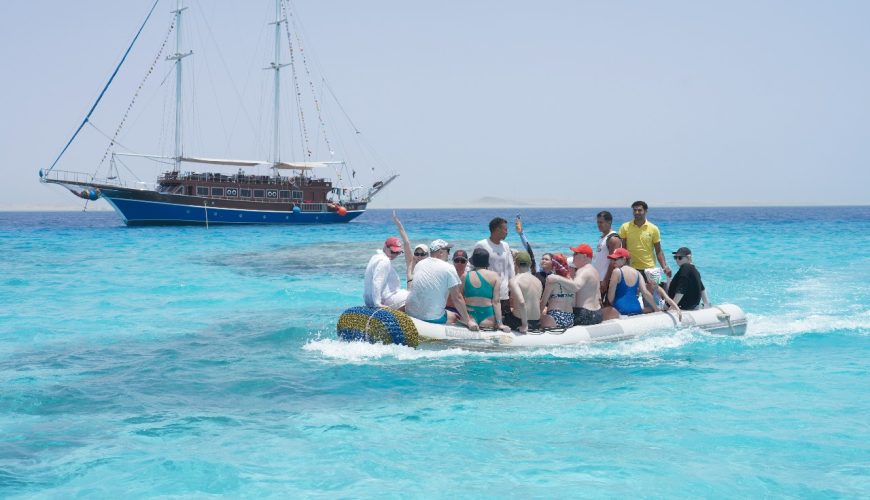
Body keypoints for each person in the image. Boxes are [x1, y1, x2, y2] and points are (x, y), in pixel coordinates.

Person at [405, 239, 479, 331]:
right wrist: (468, 321)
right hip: (431, 318)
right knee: (455, 316)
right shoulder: (449, 268)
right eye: (448, 251)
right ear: (440, 252)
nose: (448, 254)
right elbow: (457, 298)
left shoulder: (419, 264)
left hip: (410, 312)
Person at [618, 201, 672, 279]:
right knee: (633, 291)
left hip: (650, 268)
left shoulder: (653, 228)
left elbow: (658, 251)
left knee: (654, 290)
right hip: (631, 267)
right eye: (634, 210)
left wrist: (664, 267)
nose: (636, 212)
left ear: (646, 211)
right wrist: (623, 266)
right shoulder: (625, 227)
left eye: (639, 210)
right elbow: (623, 249)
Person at [461, 248, 511, 332]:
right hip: (488, 316)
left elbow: (460, 299)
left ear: (474, 261)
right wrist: (500, 324)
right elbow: (496, 302)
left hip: (470, 316)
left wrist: (466, 319)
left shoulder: (465, 276)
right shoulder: (495, 276)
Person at [474, 217, 515, 319]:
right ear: (497, 230)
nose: (507, 232)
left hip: (504, 292)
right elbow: (472, 267)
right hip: (487, 292)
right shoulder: (482, 244)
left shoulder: (505, 245)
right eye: (505, 229)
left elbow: (511, 268)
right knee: (488, 322)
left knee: (505, 321)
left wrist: (513, 288)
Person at [602, 248, 657, 320]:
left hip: (620, 310)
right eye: (612, 259)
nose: (613, 262)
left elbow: (610, 298)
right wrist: (656, 309)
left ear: (624, 259)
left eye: (615, 259)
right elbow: (645, 293)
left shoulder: (617, 272)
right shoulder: (637, 273)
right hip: (637, 309)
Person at [363, 236, 409, 309]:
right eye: (393, 251)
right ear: (385, 247)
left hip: (371, 300)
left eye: (398, 252)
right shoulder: (384, 261)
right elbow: (377, 281)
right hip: (385, 299)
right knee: (414, 297)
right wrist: (377, 303)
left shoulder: (375, 257)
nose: (394, 255)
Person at [504, 251, 541, 333]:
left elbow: (521, 302)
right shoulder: (538, 281)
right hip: (537, 322)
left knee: (502, 316)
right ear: (530, 263)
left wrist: (525, 324)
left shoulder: (515, 281)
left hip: (520, 321)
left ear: (515, 264)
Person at [392, 211, 427, 289]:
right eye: (417, 254)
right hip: (409, 297)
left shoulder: (430, 267)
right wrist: (399, 224)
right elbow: (406, 242)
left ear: (427, 255)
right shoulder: (411, 263)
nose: (419, 256)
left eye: (422, 254)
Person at [592, 211, 622, 302]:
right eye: (597, 222)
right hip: (598, 278)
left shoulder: (613, 239)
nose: (599, 225)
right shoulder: (602, 238)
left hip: (606, 280)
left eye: (601, 222)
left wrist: (606, 280)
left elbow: (613, 262)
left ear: (609, 222)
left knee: (605, 306)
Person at [540, 253, 575, 329]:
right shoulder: (571, 280)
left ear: (554, 265)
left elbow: (543, 302)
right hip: (570, 318)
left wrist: (535, 317)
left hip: (554, 317)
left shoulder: (551, 279)